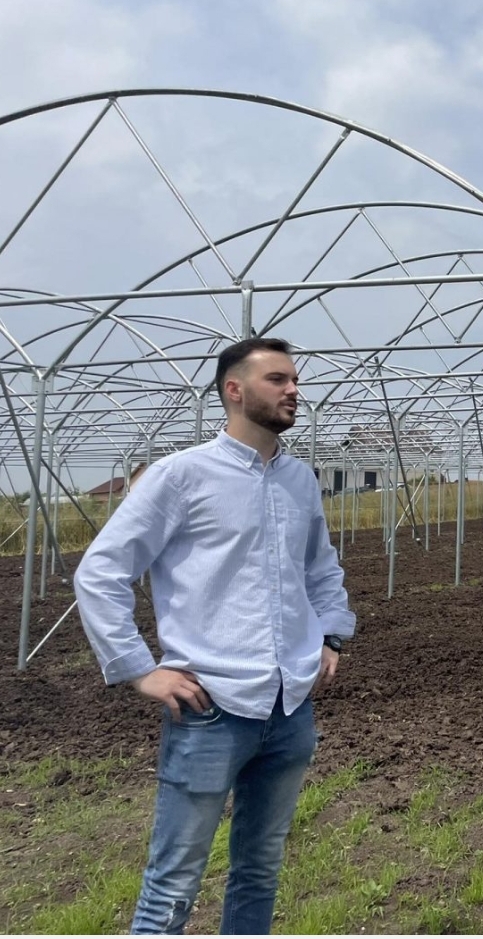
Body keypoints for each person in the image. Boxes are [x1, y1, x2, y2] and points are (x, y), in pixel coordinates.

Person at [74, 337, 355, 935]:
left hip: (289, 705)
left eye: (294, 379)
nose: (294, 390)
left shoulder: (300, 480)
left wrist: (332, 636)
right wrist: (137, 667)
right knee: (174, 878)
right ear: (235, 390)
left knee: (260, 865)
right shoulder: (181, 476)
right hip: (210, 706)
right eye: (277, 379)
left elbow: (320, 569)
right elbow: (101, 570)